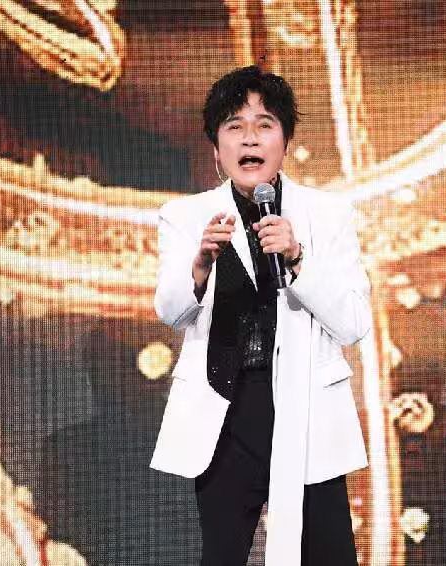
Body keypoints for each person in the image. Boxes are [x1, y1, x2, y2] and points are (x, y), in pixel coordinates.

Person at [149, 65, 372, 566]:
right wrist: (199, 264)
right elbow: (170, 311)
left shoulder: (328, 216)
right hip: (226, 417)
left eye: (264, 125)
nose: (250, 138)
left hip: (307, 412)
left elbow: (354, 323)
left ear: (285, 142)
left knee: (330, 556)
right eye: (234, 127)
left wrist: (298, 258)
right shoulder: (185, 217)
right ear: (216, 149)